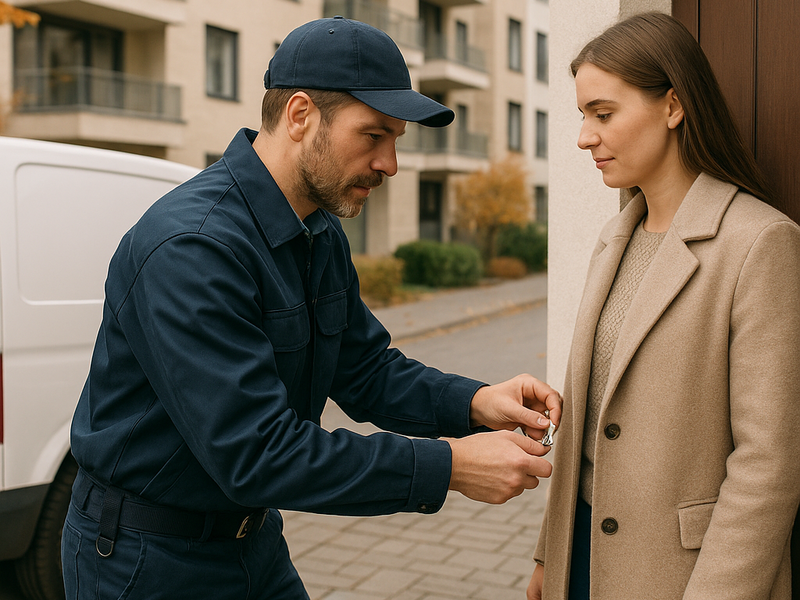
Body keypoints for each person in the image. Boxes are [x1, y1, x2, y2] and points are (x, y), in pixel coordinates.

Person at [60, 16, 562, 600]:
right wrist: (451, 467)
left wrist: (475, 403)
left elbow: (366, 370)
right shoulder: (192, 248)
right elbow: (259, 452)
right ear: (300, 115)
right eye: (373, 136)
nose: (390, 164)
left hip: (253, 542)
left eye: (395, 140)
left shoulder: (317, 231)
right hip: (147, 561)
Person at [527, 11, 800, 600]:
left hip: (686, 577)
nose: (584, 137)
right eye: (582, 116)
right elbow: (586, 421)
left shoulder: (759, 242)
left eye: (603, 114)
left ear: (673, 107)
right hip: (584, 559)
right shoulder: (614, 237)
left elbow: (769, 465)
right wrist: (550, 554)